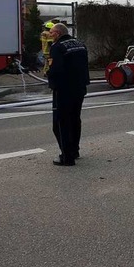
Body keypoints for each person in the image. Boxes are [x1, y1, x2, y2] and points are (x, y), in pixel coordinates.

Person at [47, 23, 90, 166]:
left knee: (60, 123)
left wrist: (50, 78)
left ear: (58, 33)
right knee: (74, 120)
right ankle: (74, 150)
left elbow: (56, 69)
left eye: (52, 33)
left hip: (64, 90)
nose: (50, 35)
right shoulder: (80, 44)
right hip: (80, 88)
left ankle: (67, 157)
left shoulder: (58, 47)